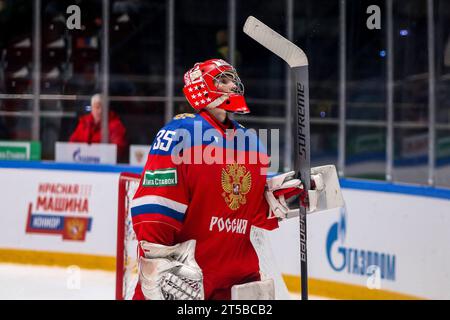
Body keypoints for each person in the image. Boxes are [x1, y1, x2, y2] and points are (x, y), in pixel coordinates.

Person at [130, 59, 307, 300]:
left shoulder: (251, 142)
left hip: (237, 278)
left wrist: (288, 197)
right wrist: (158, 268)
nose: (233, 85)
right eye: (223, 80)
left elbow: (250, 210)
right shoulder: (180, 135)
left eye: (233, 79)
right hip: (186, 281)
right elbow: (155, 208)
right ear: (199, 88)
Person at [69, 94, 127, 161]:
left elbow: (118, 149)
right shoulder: (84, 122)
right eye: (97, 107)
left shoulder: (116, 125)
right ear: (92, 108)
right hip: (83, 162)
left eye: (102, 108)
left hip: (105, 165)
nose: (99, 111)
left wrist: (98, 153)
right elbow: (72, 143)